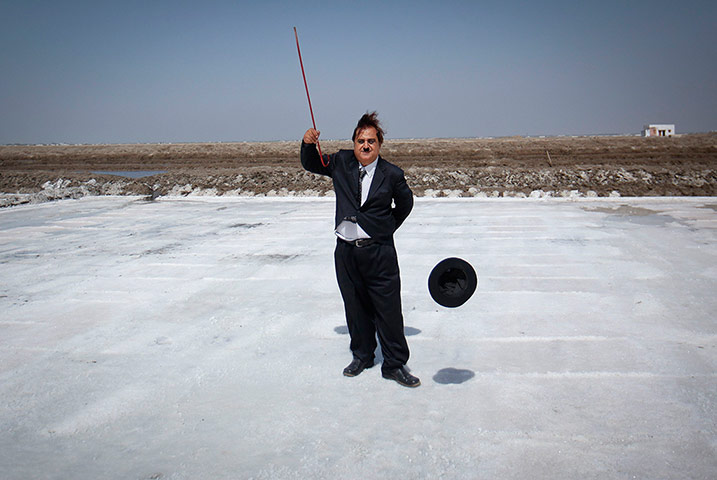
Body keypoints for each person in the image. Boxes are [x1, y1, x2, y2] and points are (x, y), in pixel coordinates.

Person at [300, 112, 419, 388]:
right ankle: (362, 356)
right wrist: (308, 143)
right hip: (346, 253)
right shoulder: (341, 162)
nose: (365, 146)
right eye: (361, 140)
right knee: (355, 308)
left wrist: (384, 228)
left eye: (371, 141)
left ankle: (394, 364)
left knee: (388, 311)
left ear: (379, 144)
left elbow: (405, 205)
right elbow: (311, 163)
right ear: (354, 142)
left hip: (379, 253)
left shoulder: (392, 174)